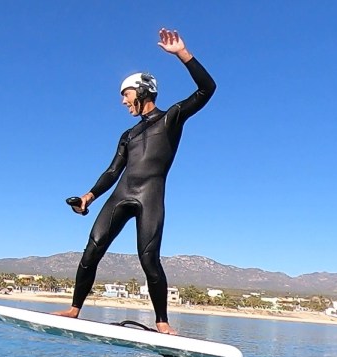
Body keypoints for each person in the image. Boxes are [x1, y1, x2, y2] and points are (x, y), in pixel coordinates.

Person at [54, 28, 216, 335]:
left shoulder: (172, 119)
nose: (123, 101)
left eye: (125, 94)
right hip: (121, 195)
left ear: (142, 91)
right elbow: (113, 171)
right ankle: (74, 309)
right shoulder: (127, 135)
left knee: (149, 259)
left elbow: (207, 88)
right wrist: (89, 196)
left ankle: (162, 322)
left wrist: (182, 53)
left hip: (150, 196)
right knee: (92, 249)